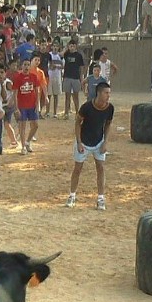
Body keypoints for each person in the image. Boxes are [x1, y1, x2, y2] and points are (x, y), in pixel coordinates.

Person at [66, 81, 113, 211]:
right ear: (99, 93)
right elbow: (77, 123)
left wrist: (105, 142)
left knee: (100, 168)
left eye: (109, 93)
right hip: (84, 142)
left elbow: (108, 124)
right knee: (77, 168)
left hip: (99, 142)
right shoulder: (86, 107)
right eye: (106, 93)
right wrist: (79, 142)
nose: (108, 96)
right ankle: (72, 195)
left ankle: (101, 198)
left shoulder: (110, 108)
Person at [12, 57, 40, 155]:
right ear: (21, 66)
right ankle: (23, 146)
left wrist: (37, 103)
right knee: (22, 126)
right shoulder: (18, 77)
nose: (26, 67)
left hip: (32, 105)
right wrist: (16, 108)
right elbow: (15, 94)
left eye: (28, 65)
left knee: (35, 125)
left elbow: (37, 90)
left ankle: (28, 142)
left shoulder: (34, 76)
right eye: (25, 65)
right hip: (22, 106)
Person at [62, 40, 84, 118]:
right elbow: (61, 55)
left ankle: (77, 113)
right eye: (70, 46)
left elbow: (81, 67)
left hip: (75, 77)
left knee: (76, 96)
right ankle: (66, 113)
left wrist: (81, 77)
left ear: (76, 46)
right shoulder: (66, 54)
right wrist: (66, 49)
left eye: (73, 46)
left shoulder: (79, 55)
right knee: (67, 96)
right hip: (67, 77)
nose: (72, 48)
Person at [46, 41, 63, 117]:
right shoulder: (49, 55)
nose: (55, 48)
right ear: (52, 47)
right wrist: (51, 67)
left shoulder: (60, 56)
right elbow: (47, 65)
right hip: (50, 76)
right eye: (54, 46)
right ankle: (47, 112)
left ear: (58, 47)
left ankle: (55, 112)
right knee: (49, 95)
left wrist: (56, 66)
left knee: (56, 95)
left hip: (57, 77)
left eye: (57, 46)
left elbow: (62, 66)